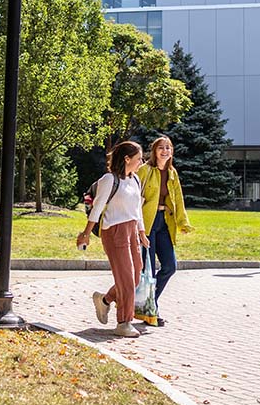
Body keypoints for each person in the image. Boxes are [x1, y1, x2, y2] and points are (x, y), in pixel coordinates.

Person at [77, 141, 148, 338]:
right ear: (127, 159)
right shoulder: (109, 179)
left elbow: (137, 209)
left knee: (134, 277)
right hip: (114, 231)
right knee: (126, 279)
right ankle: (124, 322)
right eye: (139, 158)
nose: (141, 162)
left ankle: (105, 300)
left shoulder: (135, 180)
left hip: (132, 230)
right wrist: (86, 234)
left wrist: (141, 232)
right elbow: (98, 208)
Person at [136, 136, 193, 327]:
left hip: (164, 223)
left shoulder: (172, 173)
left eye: (168, 148)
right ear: (154, 151)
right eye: (161, 147)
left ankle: (150, 303)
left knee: (170, 266)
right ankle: (150, 310)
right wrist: (137, 226)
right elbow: (135, 197)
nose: (165, 151)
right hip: (147, 222)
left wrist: (183, 223)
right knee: (149, 269)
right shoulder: (145, 170)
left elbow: (178, 199)